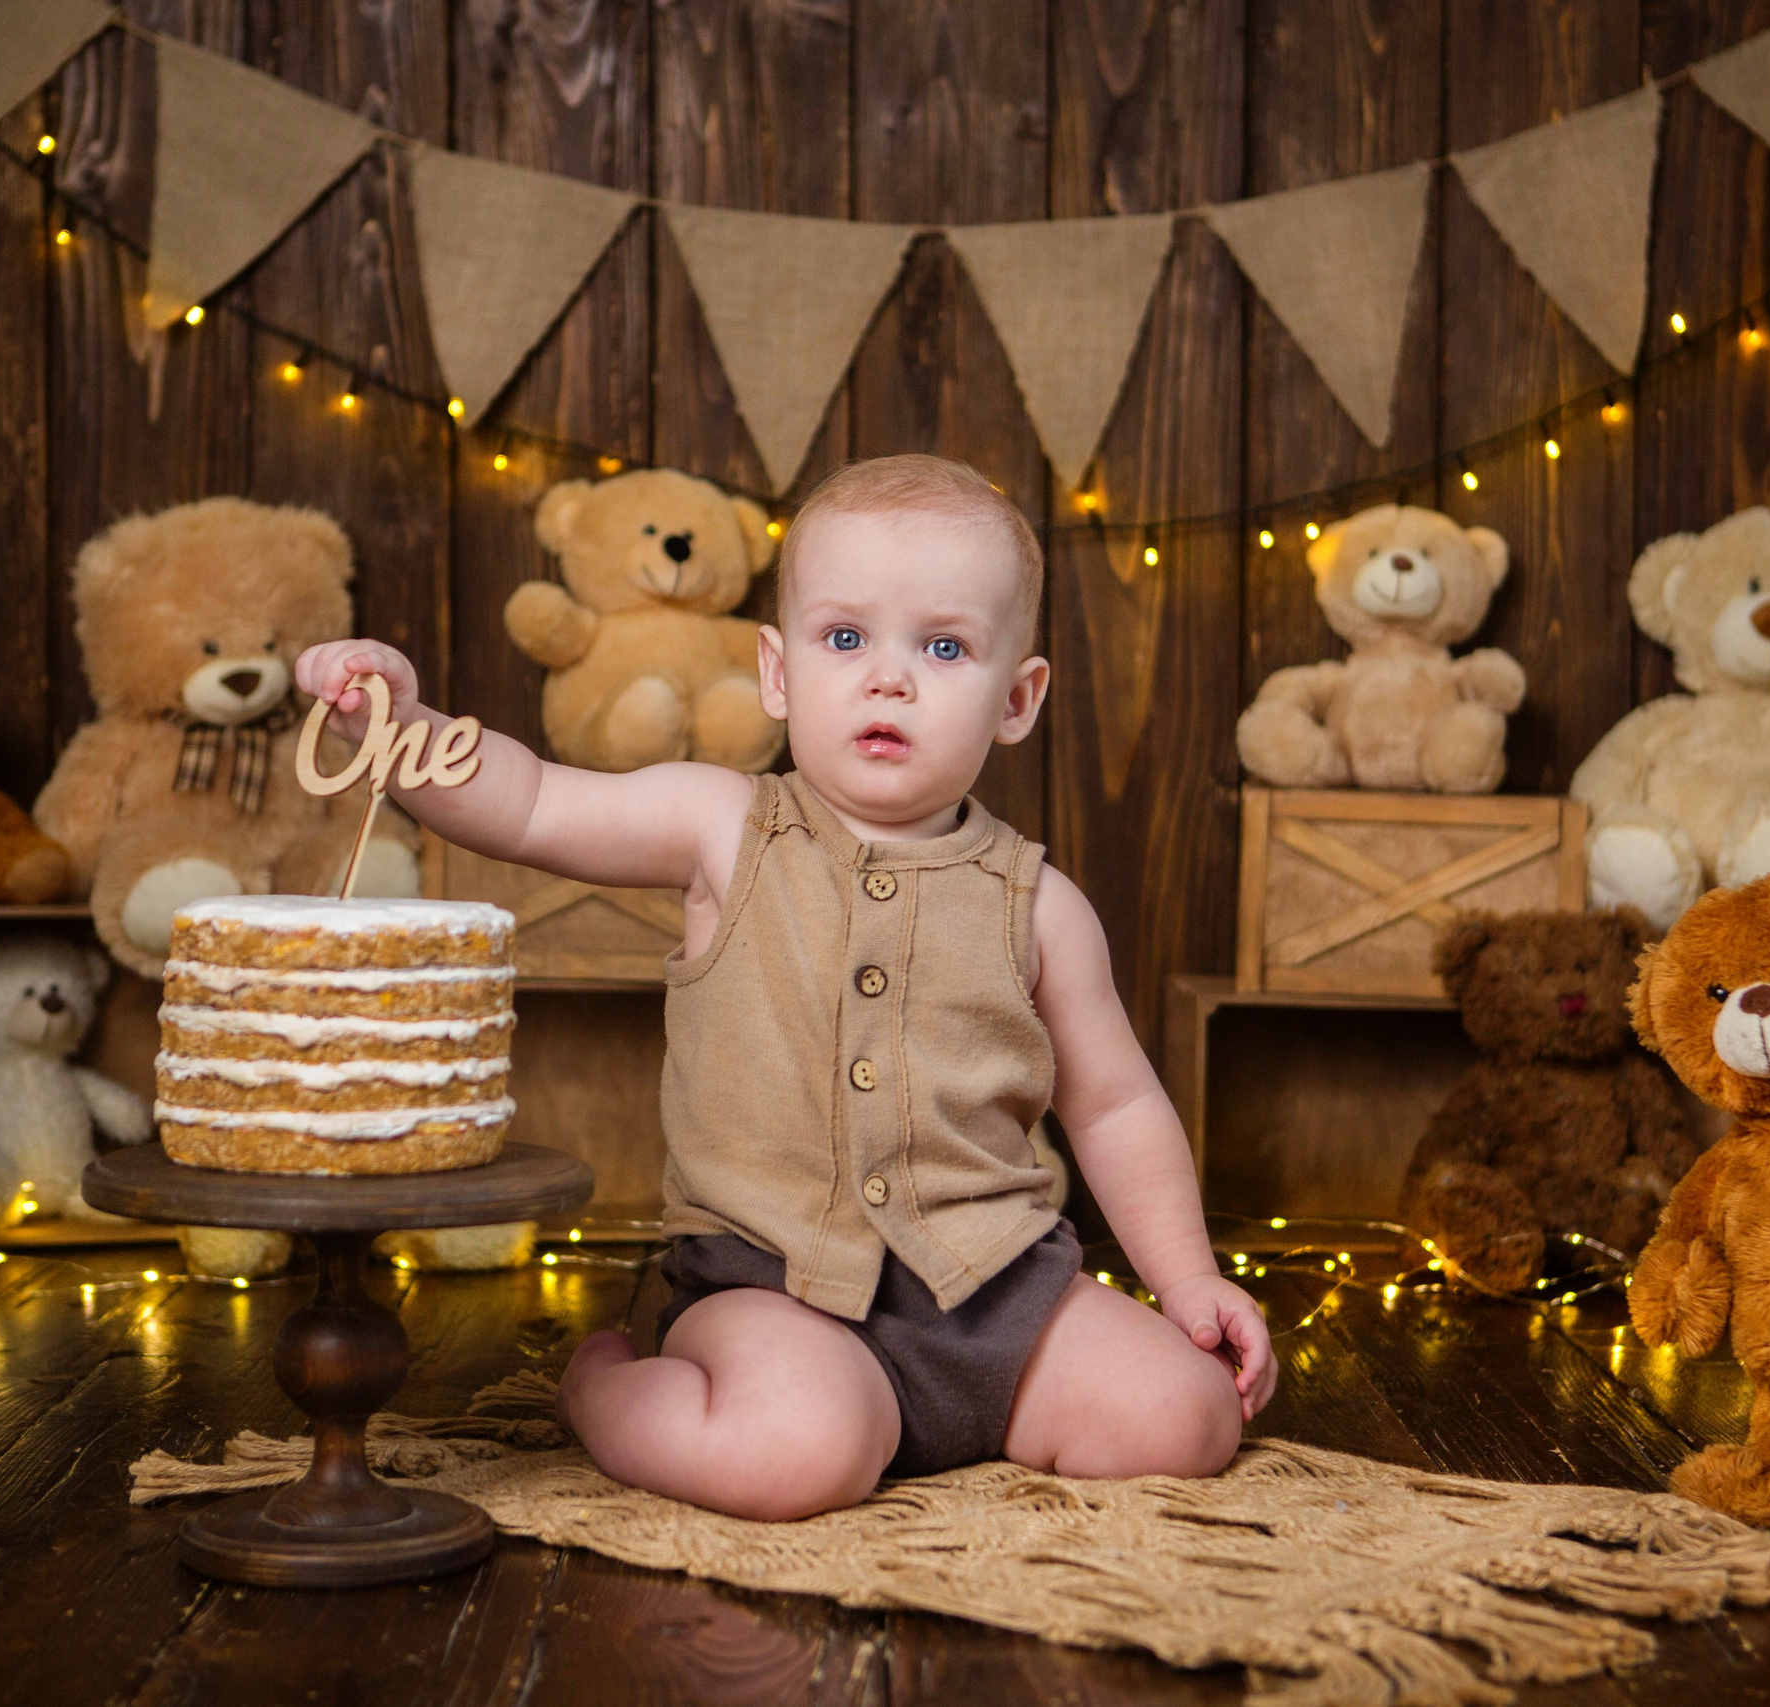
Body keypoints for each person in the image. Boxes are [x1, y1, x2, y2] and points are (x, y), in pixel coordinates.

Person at [297, 454, 1274, 1520]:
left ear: (1017, 699)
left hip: (991, 1291)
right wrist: (393, 729)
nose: (886, 678)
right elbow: (531, 804)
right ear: (777, 671)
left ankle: (978, 1411)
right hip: (772, 1290)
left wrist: (1186, 1282)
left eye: (943, 647)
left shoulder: (1038, 905)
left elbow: (1116, 1103)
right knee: (796, 1454)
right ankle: (603, 1389)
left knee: (1185, 1416)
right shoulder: (719, 826)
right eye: (844, 638)